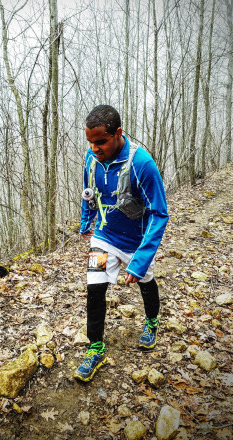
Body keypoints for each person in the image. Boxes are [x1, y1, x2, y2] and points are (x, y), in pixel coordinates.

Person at [74, 105, 169, 382]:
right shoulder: (91, 160)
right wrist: (86, 222)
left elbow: (159, 213)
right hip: (104, 236)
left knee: (146, 280)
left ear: (118, 133)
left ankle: (152, 321)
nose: (94, 148)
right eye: (90, 142)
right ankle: (96, 348)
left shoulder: (142, 164)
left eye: (100, 141)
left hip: (137, 242)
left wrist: (140, 260)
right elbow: (89, 194)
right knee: (94, 285)